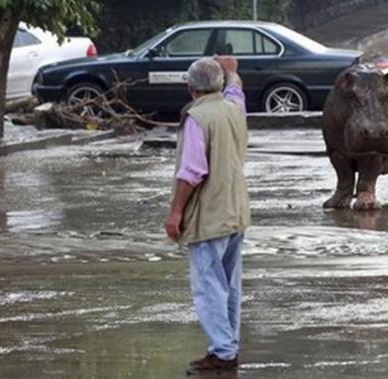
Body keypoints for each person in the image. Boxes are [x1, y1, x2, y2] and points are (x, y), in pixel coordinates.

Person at [165, 56, 250, 375]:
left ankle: (224, 351)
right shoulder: (233, 108)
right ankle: (228, 345)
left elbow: (191, 172)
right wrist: (232, 72)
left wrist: (175, 212)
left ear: (190, 88)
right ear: (219, 85)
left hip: (210, 214)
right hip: (236, 210)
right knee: (229, 283)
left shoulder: (197, 117)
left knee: (209, 285)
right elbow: (236, 91)